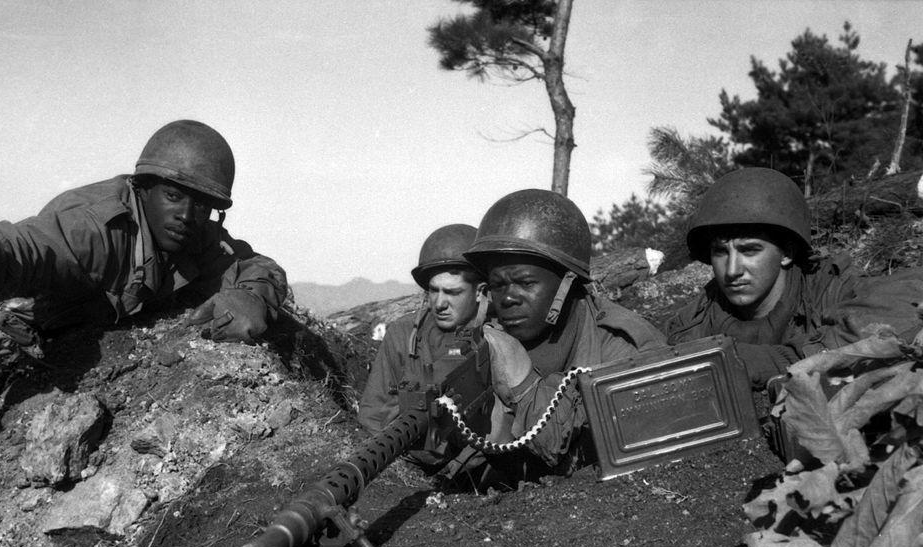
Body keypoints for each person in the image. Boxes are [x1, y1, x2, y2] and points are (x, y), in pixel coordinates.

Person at [0, 119, 288, 437]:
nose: (187, 214)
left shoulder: (196, 234)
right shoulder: (93, 227)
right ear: (145, 187)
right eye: (173, 196)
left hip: (69, 330)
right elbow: (25, 249)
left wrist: (253, 296)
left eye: (201, 204)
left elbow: (254, 266)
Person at [462, 189, 665, 473]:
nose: (508, 298)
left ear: (567, 283)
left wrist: (523, 382)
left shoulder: (624, 349)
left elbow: (578, 459)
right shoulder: (490, 341)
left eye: (526, 282)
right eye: (498, 285)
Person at [663, 167, 923, 389]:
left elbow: (911, 299)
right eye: (720, 252)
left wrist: (789, 358)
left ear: (786, 253)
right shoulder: (694, 321)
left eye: (749, 250)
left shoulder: (826, 288)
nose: (732, 270)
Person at [358, 224, 486, 437]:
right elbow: (373, 415)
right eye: (434, 291)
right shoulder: (403, 333)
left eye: (452, 292)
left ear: (479, 292)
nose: (439, 304)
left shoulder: (497, 339)